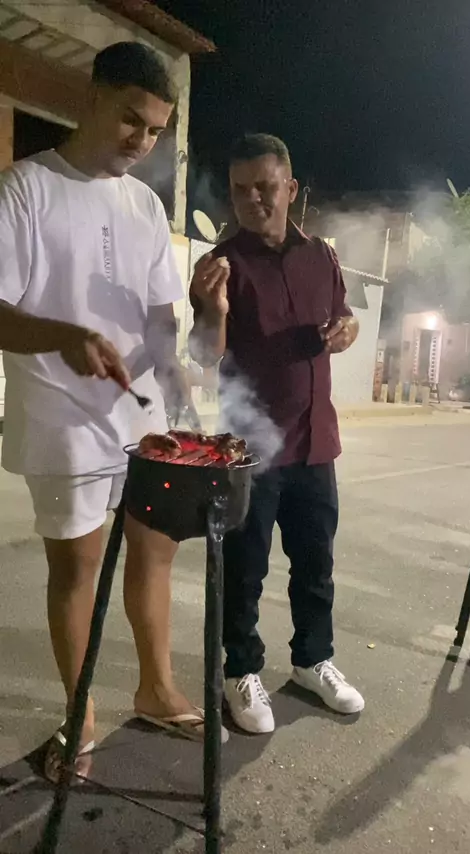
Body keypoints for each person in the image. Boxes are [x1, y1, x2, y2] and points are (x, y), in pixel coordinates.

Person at [0, 41, 215, 784]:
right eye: (131, 119)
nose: (141, 140)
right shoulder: (26, 189)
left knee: (154, 553)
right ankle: (81, 711)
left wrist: (176, 370)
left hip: (140, 415)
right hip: (61, 418)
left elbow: (159, 314)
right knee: (78, 569)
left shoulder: (145, 204)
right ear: (92, 97)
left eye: (155, 130)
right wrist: (64, 336)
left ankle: (155, 689)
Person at [189, 133, 365, 735]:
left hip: (316, 443)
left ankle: (313, 659)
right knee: (245, 571)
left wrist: (348, 331)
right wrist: (212, 309)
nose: (252, 200)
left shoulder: (321, 257)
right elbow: (203, 356)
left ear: (291, 188)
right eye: (240, 190)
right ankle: (240, 670)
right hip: (251, 450)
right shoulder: (222, 265)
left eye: (265, 188)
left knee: (316, 563)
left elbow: (343, 318)